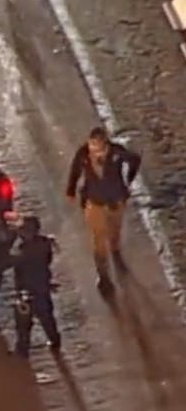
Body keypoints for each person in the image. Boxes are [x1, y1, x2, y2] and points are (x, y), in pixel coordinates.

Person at [65, 126, 142, 294]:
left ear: (105, 144)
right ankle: (103, 276)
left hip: (115, 201)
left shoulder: (117, 153)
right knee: (98, 239)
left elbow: (135, 159)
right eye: (92, 145)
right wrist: (71, 190)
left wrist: (128, 179)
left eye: (98, 146)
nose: (94, 150)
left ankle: (115, 250)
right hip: (94, 202)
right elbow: (75, 170)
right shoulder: (83, 154)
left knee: (114, 231)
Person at [10, 216, 61, 356]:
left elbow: (17, 268)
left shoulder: (21, 249)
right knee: (47, 317)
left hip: (28, 288)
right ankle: (54, 340)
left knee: (23, 321)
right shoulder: (45, 244)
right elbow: (47, 261)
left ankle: (22, 348)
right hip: (42, 285)